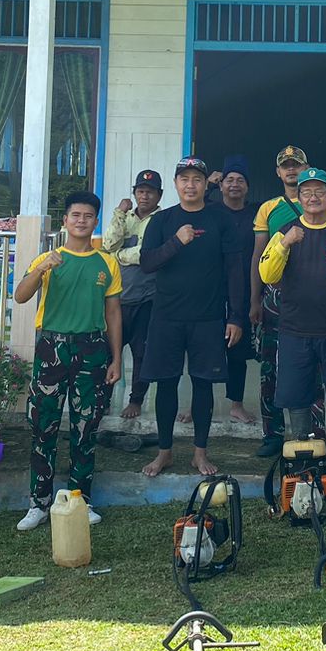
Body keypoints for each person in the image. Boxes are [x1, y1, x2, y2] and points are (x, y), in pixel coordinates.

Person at [13, 191, 124, 531]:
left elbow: (113, 313)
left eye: (88, 216)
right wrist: (40, 269)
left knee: (85, 428)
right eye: (75, 215)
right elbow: (21, 296)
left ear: (95, 221)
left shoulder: (107, 262)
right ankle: (38, 503)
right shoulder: (49, 259)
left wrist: (117, 358)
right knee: (43, 427)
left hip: (92, 349)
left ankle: (80, 500)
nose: (81, 221)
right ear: (65, 220)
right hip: (52, 348)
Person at [138, 157, 248, 477]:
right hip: (166, 317)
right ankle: (164, 452)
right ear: (175, 184)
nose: (190, 185)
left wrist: (236, 317)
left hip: (208, 318)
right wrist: (176, 241)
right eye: (184, 179)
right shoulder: (162, 221)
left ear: (206, 184)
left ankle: (200, 453)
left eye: (196, 179)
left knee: (203, 385)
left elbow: (235, 270)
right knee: (166, 384)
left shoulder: (220, 219)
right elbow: (147, 263)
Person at [258, 167, 326, 478]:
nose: (313, 197)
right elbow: (267, 274)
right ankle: (303, 472)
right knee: (296, 398)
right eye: (307, 192)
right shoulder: (286, 232)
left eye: (319, 192)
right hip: (295, 332)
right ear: (299, 198)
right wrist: (284, 244)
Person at [250, 145, 326, 457]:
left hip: (318, 307)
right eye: (286, 166)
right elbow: (260, 258)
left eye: (296, 165)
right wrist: (254, 299)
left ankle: (317, 438)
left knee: (316, 374)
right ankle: (275, 436)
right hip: (277, 301)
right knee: (274, 370)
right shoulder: (269, 208)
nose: (291, 170)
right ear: (278, 172)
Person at [103, 169, 161, 420]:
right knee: (108, 351)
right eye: (140, 191)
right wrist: (118, 212)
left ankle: (136, 400)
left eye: (150, 192)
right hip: (117, 298)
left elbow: (144, 255)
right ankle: (103, 399)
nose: (144, 196)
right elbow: (108, 243)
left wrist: (116, 256)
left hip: (147, 297)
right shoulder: (124, 217)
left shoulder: (161, 220)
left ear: (159, 195)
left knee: (141, 353)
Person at [209, 154, 259, 425]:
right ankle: (198, 404)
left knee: (237, 350)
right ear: (221, 185)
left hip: (245, 290)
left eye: (240, 180)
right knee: (206, 347)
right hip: (212, 289)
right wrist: (208, 184)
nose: (234, 185)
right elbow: (190, 204)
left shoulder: (256, 214)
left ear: (248, 187)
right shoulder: (211, 211)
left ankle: (236, 405)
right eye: (229, 180)